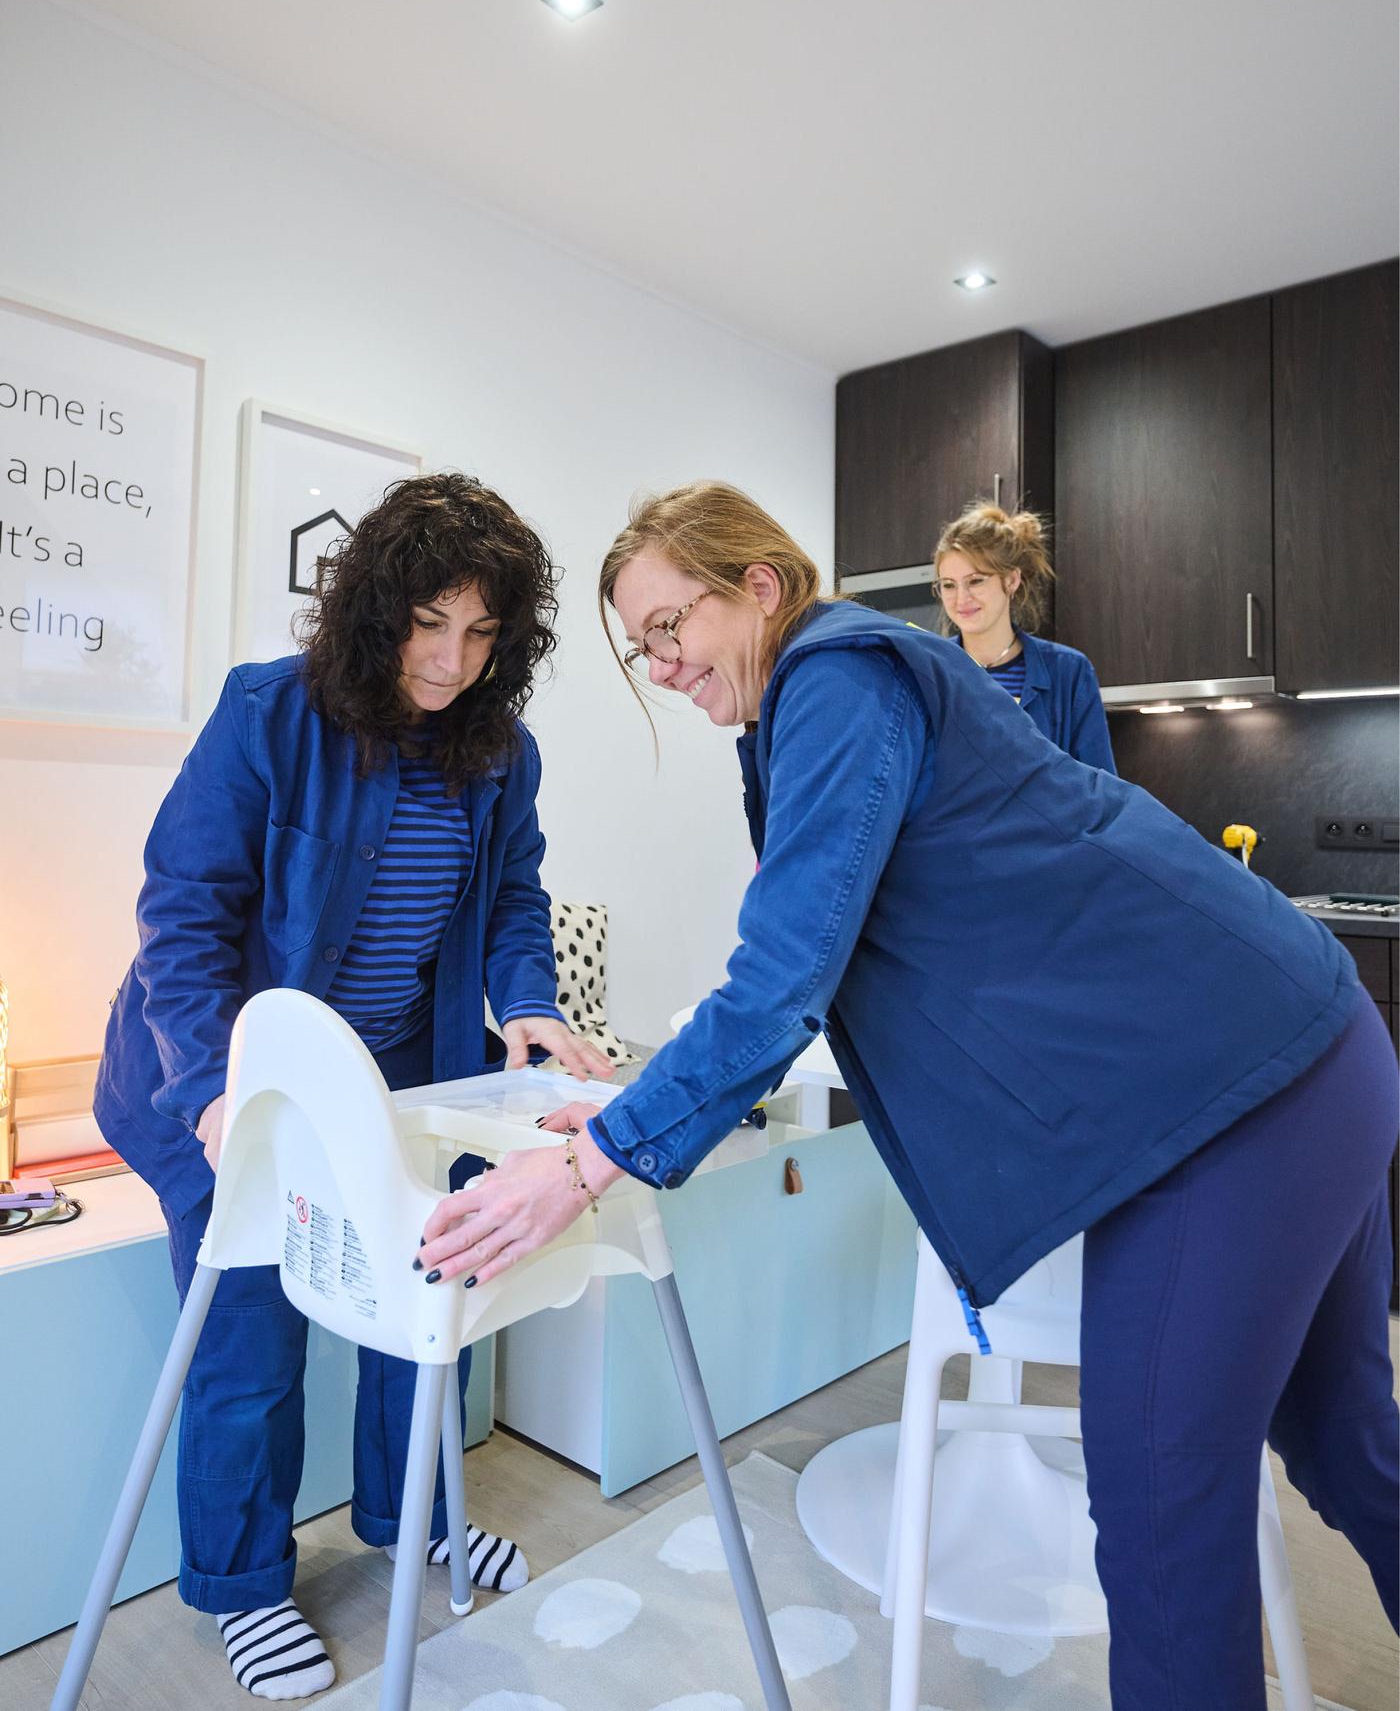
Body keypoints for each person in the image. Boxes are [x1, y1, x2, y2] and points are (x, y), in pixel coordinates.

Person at [418, 481, 1399, 1710]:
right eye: (639, 644)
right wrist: (625, 1114)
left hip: (1235, 1094)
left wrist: (586, 1163)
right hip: (1307, 1040)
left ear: (758, 587)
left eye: (668, 626)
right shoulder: (826, 707)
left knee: (1159, 1513)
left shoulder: (836, 675)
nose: (658, 666)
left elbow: (782, 974)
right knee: (1343, 1441)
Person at [95, 473, 613, 1702]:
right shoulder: (268, 714)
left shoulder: (501, 752)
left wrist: (528, 997)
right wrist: (221, 1096)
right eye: (430, 624)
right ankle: (241, 1583)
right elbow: (184, 913)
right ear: (374, 610)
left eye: (483, 634)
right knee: (251, 1334)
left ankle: (410, 1515)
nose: (451, 660)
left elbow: (514, 898)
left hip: (392, 1070)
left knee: (426, 1286)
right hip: (211, 1073)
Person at [934, 498, 1115, 771]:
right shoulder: (930, 670)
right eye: (948, 585)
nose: (961, 599)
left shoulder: (1069, 672)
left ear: (1011, 580)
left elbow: (1100, 786)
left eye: (976, 581)